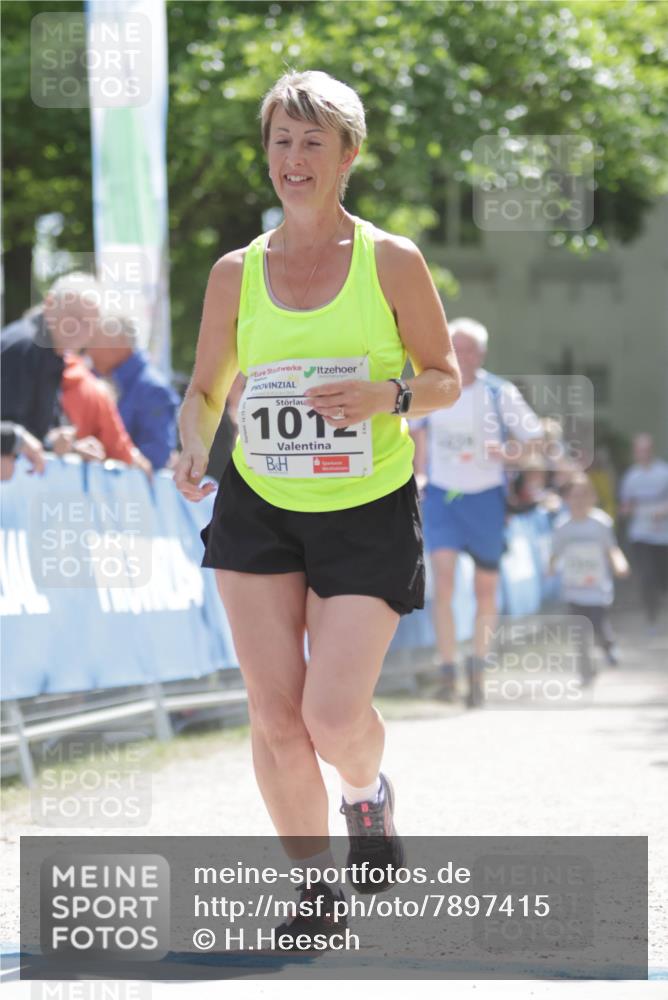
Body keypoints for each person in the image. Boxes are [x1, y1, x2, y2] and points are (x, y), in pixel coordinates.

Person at [174, 69, 460, 947]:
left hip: (366, 505)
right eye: (280, 142)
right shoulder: (236, 272)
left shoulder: (391, 260)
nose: (292, 160)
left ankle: (366, 797)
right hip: (260, 504)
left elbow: (443, 379)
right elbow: (204, 389)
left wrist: (388, 398)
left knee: (331, 718)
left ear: (348, 156)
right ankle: (314, 890)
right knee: (273, 712)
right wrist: (191, 442)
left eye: (311, 143)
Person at [410, 317, 543, 707]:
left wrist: (510, 453)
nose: (462, 356)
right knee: (443, 584)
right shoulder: (431, 389)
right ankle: (448, 668)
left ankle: (479, 666)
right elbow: (419, 437)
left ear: (481, 354)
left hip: (486, 498)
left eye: (469, 349)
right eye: (456, 347)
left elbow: (534, 442)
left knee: (485, 589)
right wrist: (419, 475)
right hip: (442, 498)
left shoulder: (499, 393)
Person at [1, 273, 102, 443]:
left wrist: (67, 445)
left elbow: (36, 431)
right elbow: (8, 429)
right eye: (73, 316)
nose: (79, 328)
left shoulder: (54, 354)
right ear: (49, 304)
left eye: (88, 323)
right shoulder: (23, 348)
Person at [549, 474, 630, 684]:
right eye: (574, 496)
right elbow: (555, 553)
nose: (579, 501)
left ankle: (608, 644)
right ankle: (586, 671)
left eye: (584, 495)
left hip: (596, 589)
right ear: (566, 499)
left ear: (592, 497)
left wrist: (620, 564)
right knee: (579, 631)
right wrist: (549, 568)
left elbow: (611, 548)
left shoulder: (600, 523)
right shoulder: (562, 526)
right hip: (573, 588)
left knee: (597, 626)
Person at [86, 312, 180, 470]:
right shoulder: (93, 378)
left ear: (119, 344)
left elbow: (156, 454)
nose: (89, 352)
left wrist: (108, 459)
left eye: (94, 342)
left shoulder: (153, 390)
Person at [619, 433, 668, 632]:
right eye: (639, 450)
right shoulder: (631, 476)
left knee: (662, 578)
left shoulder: (664, 472)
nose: (642, 454)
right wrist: (625, 511)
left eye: (645, 450)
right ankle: (651, 617)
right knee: (646, 577)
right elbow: (626, 504)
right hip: (640, 535)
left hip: (663, 536)